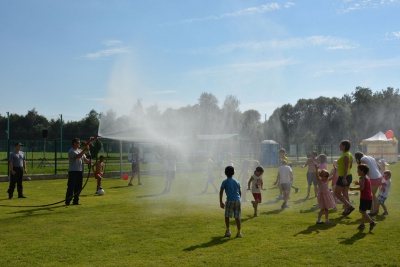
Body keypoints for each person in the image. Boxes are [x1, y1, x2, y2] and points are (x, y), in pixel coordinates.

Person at [349, 164, 377, 231]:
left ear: (362, 171)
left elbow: (362, 188)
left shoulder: (362, 178)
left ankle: (372, 222)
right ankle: (362, 225)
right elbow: (365, 185)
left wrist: (352, 189)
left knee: (361, 211)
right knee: (364, 211)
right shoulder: (366, 177)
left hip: (365, 197)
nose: (357, 171)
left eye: (358, 170)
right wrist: (358, 183)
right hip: (369, 197)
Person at [354, 152, 382, 216]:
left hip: (373, 177)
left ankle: (372, 211)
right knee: (374, 195)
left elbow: (364, 170)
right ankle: (376, 210)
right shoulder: (370, 157)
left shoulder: (362, 160)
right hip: (379, 177)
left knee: (372, 195)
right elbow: (379, 167)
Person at [65, 138, 91, 206]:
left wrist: (88, 161)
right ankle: (68, 201)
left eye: (79, 143)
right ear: (74, 143)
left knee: (78, 187)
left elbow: (84, 159)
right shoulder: (71, 151)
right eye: (78, 143)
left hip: (80, 171)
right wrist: (85, 150)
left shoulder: (80, 150)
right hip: (73, 171)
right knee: (71, 187)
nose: (79, 144)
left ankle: (76, 201)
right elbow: (78, 156)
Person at [220, 166, 242, 238]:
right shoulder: (237, 181)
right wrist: (239, 199)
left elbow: (221, 191)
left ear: (225, 173)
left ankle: (228, 231)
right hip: (237, 200)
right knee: (237, 217)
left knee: (227, 216)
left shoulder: (225, 182)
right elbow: (239, 191)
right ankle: (239, 233)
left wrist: (221, 201)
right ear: (234, 173)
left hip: (230, 200)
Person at [335, 140, 355, 216]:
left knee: (337, 193)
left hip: (343, 176)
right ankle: (346, 211)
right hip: (348, 176)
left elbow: (347, 166)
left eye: (340, 145)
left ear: (344, 146)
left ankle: (349, 206)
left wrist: (344, 178)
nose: (339, 146)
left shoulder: (346, 155)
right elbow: (350, 166)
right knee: (345, 193)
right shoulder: (349, 154)